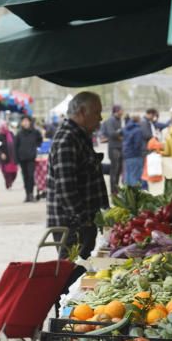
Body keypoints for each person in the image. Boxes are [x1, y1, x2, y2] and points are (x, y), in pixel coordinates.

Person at [46, 91, 109, 292]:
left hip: (82, 224)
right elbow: (66, 190)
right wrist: (86, 221)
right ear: (82, 112)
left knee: (81, 276)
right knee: (71, 278)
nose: (100, 118)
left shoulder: (80, 136)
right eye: (97, 112)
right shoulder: (67, 139)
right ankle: (64, 320)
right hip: (73, 227)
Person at [15, 116, 43, 202]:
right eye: (23, 121)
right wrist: (16, 159)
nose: (25, 123)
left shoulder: (35, 132)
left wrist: (37, 147)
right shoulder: (19, 133)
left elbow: (40, 140)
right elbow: (15, 146)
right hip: (22, 157)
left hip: (31, 157)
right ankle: (27, 194)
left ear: (30, 122)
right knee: (25, 176)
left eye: (27, 121)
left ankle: (31, 194)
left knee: (31, 176)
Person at [100, 105, 124, 195]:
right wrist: (121, 134)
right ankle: (113, 191)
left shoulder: (119, 120)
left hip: (120, 147)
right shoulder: (111, 120)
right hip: (113, 148)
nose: (122, 112)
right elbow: (111, 133)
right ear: (116, 111)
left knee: (118, 171)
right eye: (121, 111)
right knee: (114, 170)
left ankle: (116, 188)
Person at [122, 114, 147, 189]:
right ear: (138, 120)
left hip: (127, 155)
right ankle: (136, 194)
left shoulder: (126, 129)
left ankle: (127, 194)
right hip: (135, 155)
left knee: (128, 175)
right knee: (136, 175)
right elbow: (137, 144)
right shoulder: (138, 130)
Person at [0, 121, 18, 190]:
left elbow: (15, 143)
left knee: (14, 173)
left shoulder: (11, 134)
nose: (6, 127)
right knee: (7, 173)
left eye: (6, 126)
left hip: (13, 157)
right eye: (4, 126)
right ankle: (8, 184)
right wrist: (1, 153)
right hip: (5, 157)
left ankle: (10, 182)